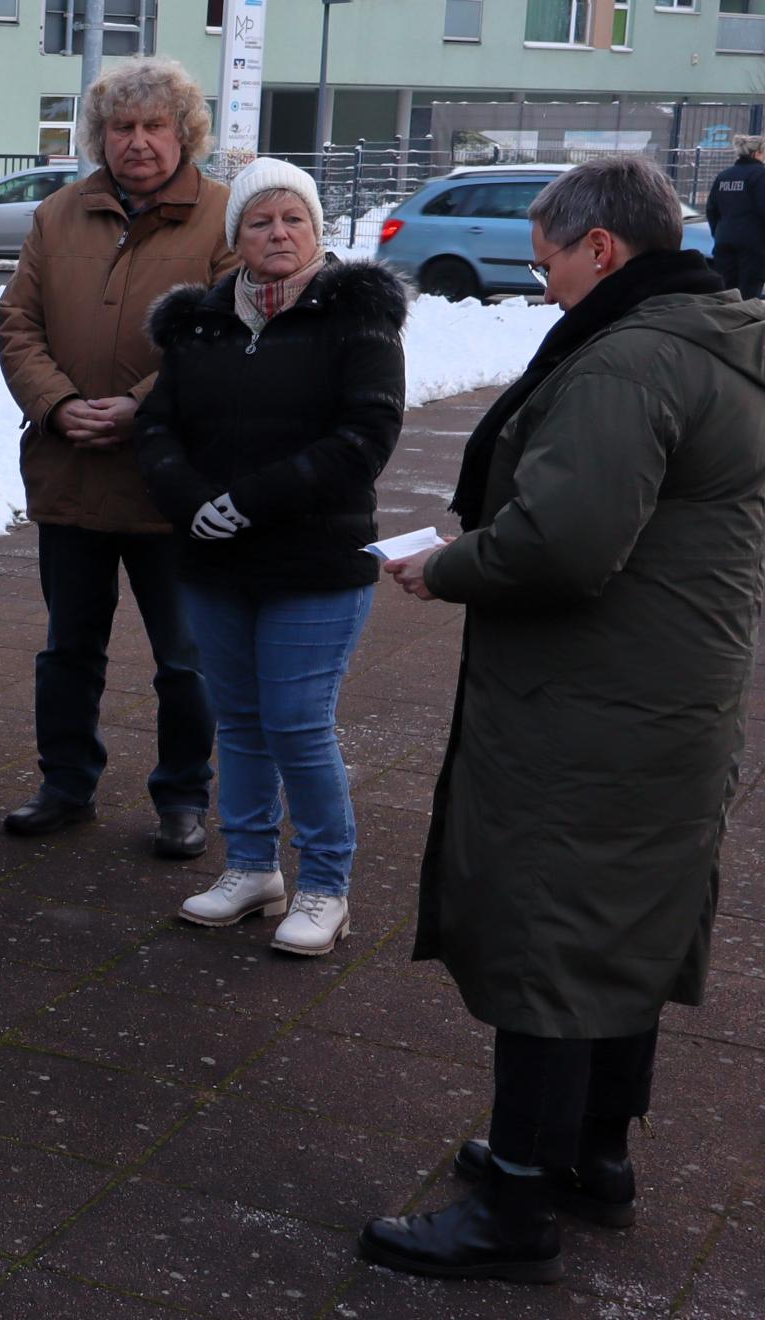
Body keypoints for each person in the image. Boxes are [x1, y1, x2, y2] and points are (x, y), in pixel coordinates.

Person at [363, 156, 765, 1284]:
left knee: (550, 935)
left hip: (593, 704)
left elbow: (562, 543)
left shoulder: (630, 359)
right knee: (617, 932)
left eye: (548, 264)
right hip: (668, 695)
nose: (542, 286)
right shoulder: (711, 335)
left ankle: (516, 1205)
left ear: (601, 248)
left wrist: (448, 566)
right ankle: (593, 1158)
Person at [134, 158, 408, 956]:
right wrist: (191, 500)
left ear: (317, 230)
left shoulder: (357, 318)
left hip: (314, 562)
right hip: (216, 560)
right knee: (242, 722)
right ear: (237, 237)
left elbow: (365, 438)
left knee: (297, 724)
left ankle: (326, 885)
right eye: (260, 221)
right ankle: (252, 868)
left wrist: (248, 500)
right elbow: (156, 426)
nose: (279, 233)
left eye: (295, 219)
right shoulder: (200, 323)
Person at [0, 56, 235, 857]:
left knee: (185, 659)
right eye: (122, 127)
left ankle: (183, 796)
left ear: (184, 132)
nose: (138, 142)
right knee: (68, 650)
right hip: (71, 470)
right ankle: (65, 785)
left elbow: (228, 336)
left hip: (173, 485)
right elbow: (17, 324)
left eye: (154, 126)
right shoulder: (58, 214)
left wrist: (142, 407)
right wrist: (59, 404)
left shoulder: (224, 218)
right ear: (101, 136)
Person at [704, 134, 764, 298]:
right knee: (748, 294)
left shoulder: (724, 176)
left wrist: (718, 233)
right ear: (757, 153)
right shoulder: (760, 175)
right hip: (753, 245)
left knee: (725, 293)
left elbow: (711, 210)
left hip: (724, 241)